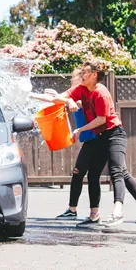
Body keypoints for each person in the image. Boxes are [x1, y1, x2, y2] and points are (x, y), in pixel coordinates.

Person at [60, 61, 136, 227]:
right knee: (93, 174)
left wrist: (80, 129)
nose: (81, 75)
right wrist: (67, 101)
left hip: (114, 134)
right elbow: (61, 96)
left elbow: (101, 119)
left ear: (94, 75)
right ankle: (94, 215)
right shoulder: (81, 89)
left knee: (118, 171)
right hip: (98, 137)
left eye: (84, 72)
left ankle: (117, 212)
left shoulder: (101, 93)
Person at [29, 69, 105, 227]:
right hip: (90, 141)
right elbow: (56, 100)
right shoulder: (76, 95)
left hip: (97, 140)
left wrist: (66, 100)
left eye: (74, 83)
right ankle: (75, 210)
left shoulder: (85, 96)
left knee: (113, 175)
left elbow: (76, 103)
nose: (72, 87)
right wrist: (32, 95)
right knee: (85, 175)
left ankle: (80, 211)